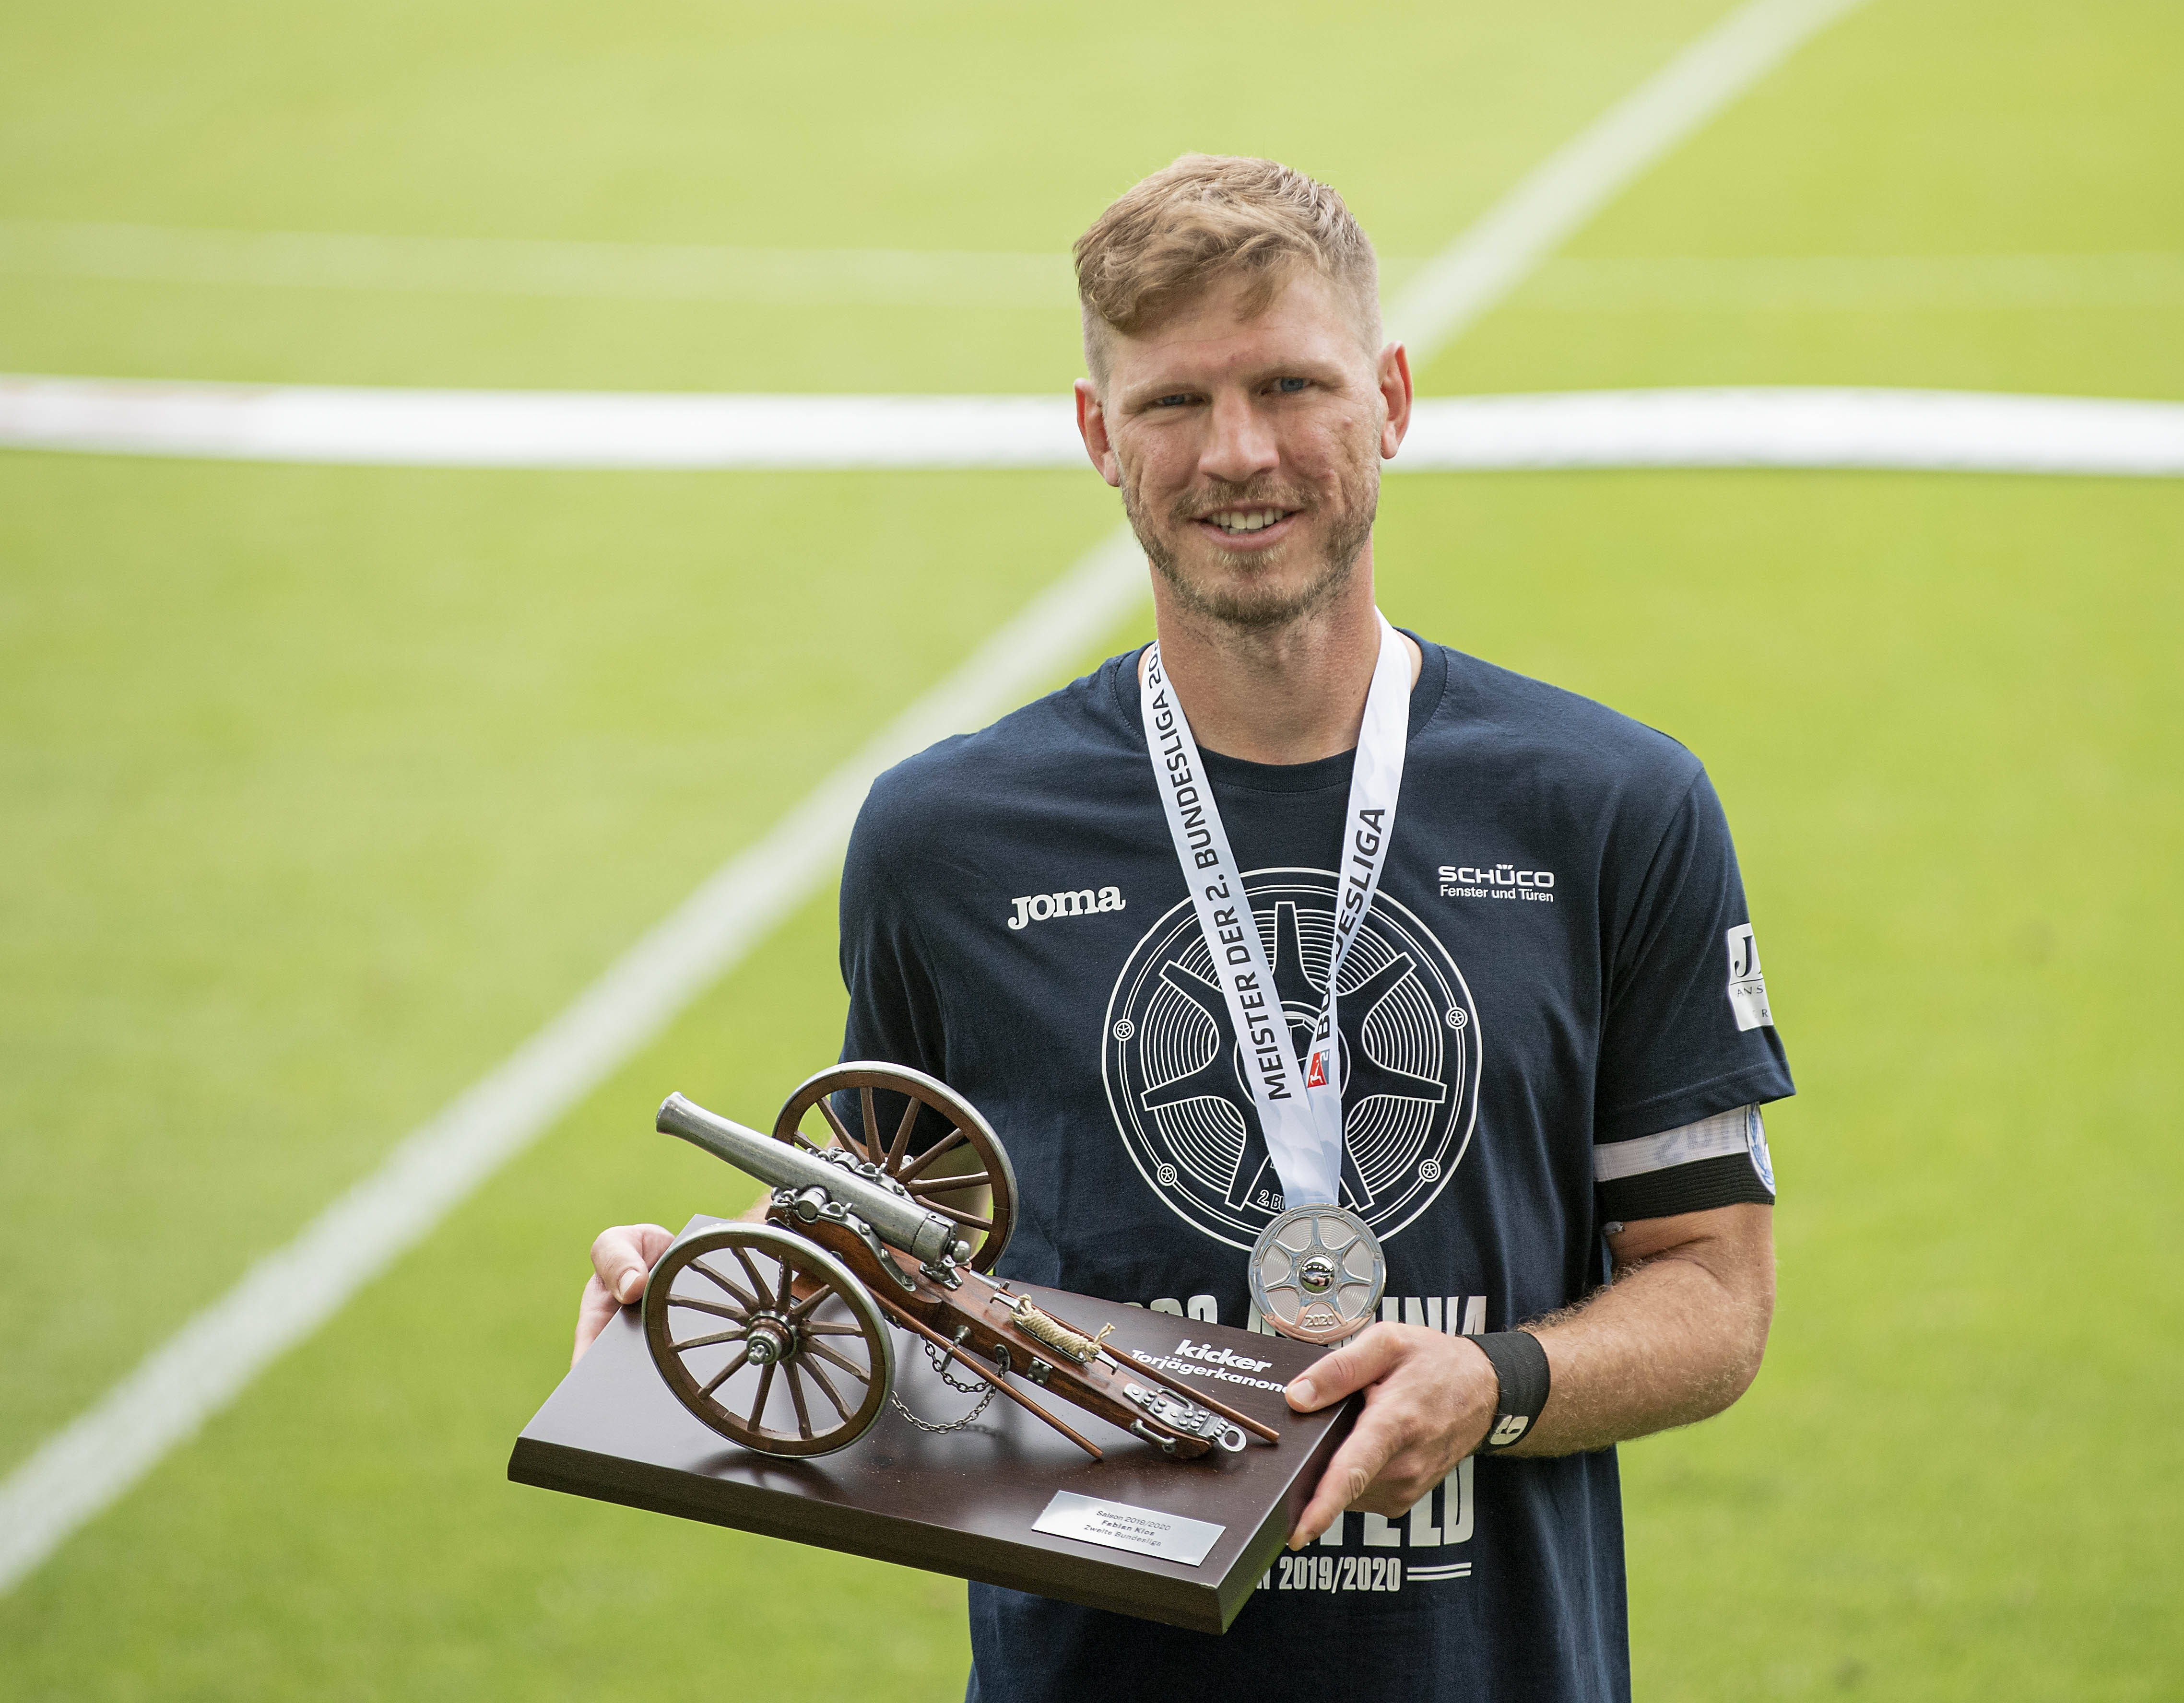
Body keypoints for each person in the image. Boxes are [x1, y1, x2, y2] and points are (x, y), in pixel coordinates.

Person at [575, 155, 1791, 1702]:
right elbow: (891, 1278)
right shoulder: (948, 839)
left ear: (1392, 400)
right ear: (1098, 435)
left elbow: (1715, 1295)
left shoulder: (1610, 806)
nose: (1239, 455)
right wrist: (693, 1295)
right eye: (1171, 405)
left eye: (1293, 385)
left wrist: (1497, 1383)